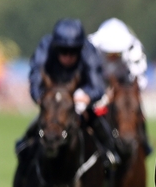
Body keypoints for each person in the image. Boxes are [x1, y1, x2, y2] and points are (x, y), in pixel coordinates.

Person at [24, 18, 118, 166]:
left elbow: (98, 85)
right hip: (52, 102)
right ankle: (23, 151)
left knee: (101, 128)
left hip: (79, 101)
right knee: (33, 132)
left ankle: (111, 154)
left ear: (80, 48)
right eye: (63, 51)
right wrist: (42, 98)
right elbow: (35, 79)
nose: (68, 56)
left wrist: (85, 96)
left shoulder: (89, 50)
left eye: (73, 51)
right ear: (55, 47)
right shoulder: (45, 47)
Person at [88, 17, 153, 155]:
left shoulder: (134, 49)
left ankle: (144, 142)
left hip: (124, 82)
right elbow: (89, 77)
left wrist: (123, 92)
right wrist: (104, 96)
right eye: (108, 53)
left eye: (116, 53)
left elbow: (139, 80)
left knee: (135, 108)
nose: (112, 56)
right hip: (99, 82)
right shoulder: (90, 47)